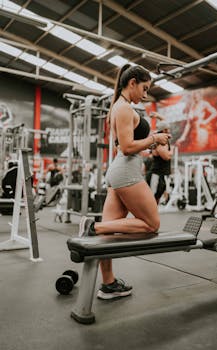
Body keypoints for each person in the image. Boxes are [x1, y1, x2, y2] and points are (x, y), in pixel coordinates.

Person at [78, 64, 170, 300]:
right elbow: (128, 147)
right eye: (144, 88)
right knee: (151, 224)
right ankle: (93, 227)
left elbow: (123, 146)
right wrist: (154, 139)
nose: (145, 94)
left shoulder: (119, 107)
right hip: (126, 172)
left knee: (108, 237)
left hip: (119, 170)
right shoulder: (124, 108)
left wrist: (149, 145)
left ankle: (108, 284)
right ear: (132, 83)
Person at [149, 121, 174, 204]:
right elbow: (166, 157)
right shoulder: (159, 142)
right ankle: (150, 212)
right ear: (164, 130)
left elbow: (164, 122)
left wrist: (158, 115)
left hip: (162, 173)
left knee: (159, 194)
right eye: (167, 129)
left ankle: (154, 211)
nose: (169, 131)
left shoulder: (164, 138)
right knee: (153, 195)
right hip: (157, 173)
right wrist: (171, 151)